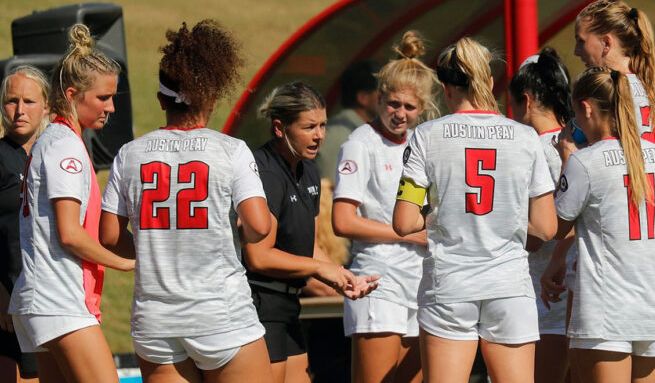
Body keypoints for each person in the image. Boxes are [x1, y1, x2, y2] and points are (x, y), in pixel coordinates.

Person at [99, 20, 275, 383]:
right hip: (220, 315)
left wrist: (157, 250)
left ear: (161, 98)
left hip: (156, 322)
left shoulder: (129, 154)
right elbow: (258, 226)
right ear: (212, 95)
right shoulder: (230, 150)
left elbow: (109, 236)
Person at [392, 36, 557, 383]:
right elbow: (545, 228)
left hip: (450, 284)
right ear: (489, 81)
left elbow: (404, 222)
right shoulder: (525, 137)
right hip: (510, 284)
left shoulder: (426, 135)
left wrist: (443, 210)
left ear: (445, 87)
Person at [7, 24, 134, 383]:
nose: (111, 107)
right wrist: (125, 263)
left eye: (112, 97)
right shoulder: (66, 146)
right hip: (57, 299)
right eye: (103, 97)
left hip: (42, 299)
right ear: (72, 93)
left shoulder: (54, 138)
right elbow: (70, 234)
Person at [572, 0, 655, 380]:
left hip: (616, 264)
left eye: (582, 41)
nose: (577, 51)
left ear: (606, 43)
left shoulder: (603, 104)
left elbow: (583, 194)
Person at [244, 81, 379, 383]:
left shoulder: (310, 171)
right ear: (279, 128)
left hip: (288, 307)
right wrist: (320, 269)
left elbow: (308, 248)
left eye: (322, 125)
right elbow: (259, 257)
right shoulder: (265, 174)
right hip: (258, 307)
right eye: (309, 127)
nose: (319, 135)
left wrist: (343, 277)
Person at [331, 30, 437, 383]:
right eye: (393, 103)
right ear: (379, 99)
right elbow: (343, 221)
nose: (400, 114)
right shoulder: (360, 143)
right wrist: (408, 235)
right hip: (377, 276)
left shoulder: (423, 143)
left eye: (410, 107)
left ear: (422, 108)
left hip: (418, 279)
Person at [509, 47, 575, 383]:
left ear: (527, 99)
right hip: (567, 293)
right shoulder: (575, 142)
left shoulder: (535, 148)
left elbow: (548, 230)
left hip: (544, 296)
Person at [0, 66, 50, 383]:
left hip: (48, 302)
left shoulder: (56, 156)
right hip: (6, 306)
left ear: (46, 106)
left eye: (29, 101)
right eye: (11, 101)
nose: (20, 110)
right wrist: (0, 295)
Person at [316, 60, 380, 179]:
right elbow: (329, 188)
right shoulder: (338, 135)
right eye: (382, 93)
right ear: (363, 98)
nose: (389, 98)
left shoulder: (363, 131)